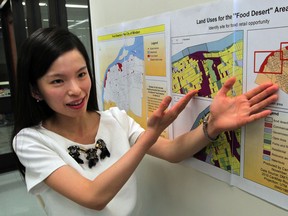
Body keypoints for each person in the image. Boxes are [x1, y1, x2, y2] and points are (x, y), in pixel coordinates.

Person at [12, 27, 278, 216]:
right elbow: (93, 197)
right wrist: (148, 137)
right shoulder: (31, 141)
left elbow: (173, 152)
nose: (76, 90)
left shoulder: (114, 119)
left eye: (81, 74)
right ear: (36, 90)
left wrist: (213, 125)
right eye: (58, 80)